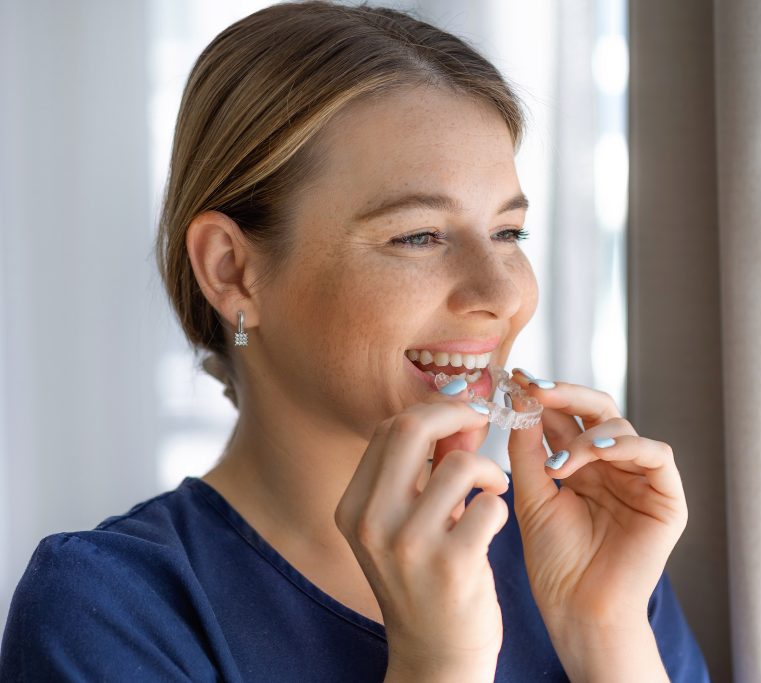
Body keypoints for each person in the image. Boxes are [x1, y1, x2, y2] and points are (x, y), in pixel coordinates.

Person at [0, 2, 710, 681]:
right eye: (419, 236)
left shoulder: (584, 560)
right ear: (231, 269)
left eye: (507, 233)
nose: (499, 295)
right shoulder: (111, 609)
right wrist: (439, 666)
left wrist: (607, 628)